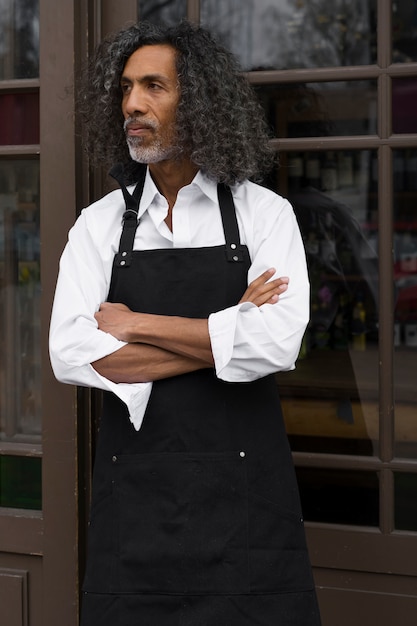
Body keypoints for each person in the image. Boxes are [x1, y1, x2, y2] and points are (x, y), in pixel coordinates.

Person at [49, 19, 321, 626]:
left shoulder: (263, 213)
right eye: (125, 88)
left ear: (197, 101)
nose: (132, 105)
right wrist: (231, 327)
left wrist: (133, 323)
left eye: (153, 87)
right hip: (135, 511)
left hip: (247, 520)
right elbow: (70, 353)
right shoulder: (97, 225)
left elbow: (278, 344)